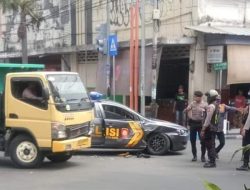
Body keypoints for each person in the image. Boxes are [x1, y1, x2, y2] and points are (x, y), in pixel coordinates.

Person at [185, 91, 207, 162]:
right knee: (192, 140)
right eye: (194, 96)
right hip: (193, 124)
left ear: (200, 97)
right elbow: (187, 110)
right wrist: (188, 113)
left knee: (203, 141)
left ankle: (203, 156)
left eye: (195, 96)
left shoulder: (205, 104)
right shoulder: (192, 103)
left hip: (201, 124)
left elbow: (208, 114)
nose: (194, 98)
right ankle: (194, 156)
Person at [201, 89, 219, 168]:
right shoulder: (216, 105)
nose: (207, 98)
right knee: (211, 144)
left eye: (208, 96)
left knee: (209, 145)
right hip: (214, 127)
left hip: (209, 128)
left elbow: (208, 119)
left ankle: (212, 162)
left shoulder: (211, 106)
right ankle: (212, 160)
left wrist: (203, 129)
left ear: (211, 97)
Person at [237, 105, 250, 171]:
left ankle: (245, 164)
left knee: (246, 146)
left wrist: (245, 128)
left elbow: (249, 118)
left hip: (248, 129)